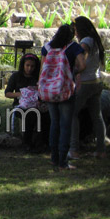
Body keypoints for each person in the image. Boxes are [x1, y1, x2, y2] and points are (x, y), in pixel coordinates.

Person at [40, 24, 86, 171]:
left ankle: (54, 158)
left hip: (50, 91)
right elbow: (82, 65)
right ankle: (63, 162)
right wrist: (74, 71)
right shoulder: (73, 47)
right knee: (65, 126)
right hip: (66, 91)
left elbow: (42, 69)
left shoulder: (47, 47)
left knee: (54, 124)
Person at [68, 16, 106, 159]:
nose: (75, 33)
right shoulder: (94, 40)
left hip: (85, 83)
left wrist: (75, 71)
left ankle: (74, 149)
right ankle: (101, 150)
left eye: (75, 30)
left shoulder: (85, 42)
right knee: (97, 116)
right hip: (96, 81)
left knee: (72, 113)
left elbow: (81, 61)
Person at [4, 53, 49, 151]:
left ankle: (43, 142)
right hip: (21, 105)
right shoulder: (16, 76)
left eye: (32, 66)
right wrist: (22, 94)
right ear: (23, 65)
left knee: (46, 115)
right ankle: (27, 143)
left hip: (37, 104)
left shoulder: (38, 77)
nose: (29, 68)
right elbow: (7, 93)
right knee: (31, 114)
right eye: (27, 65)